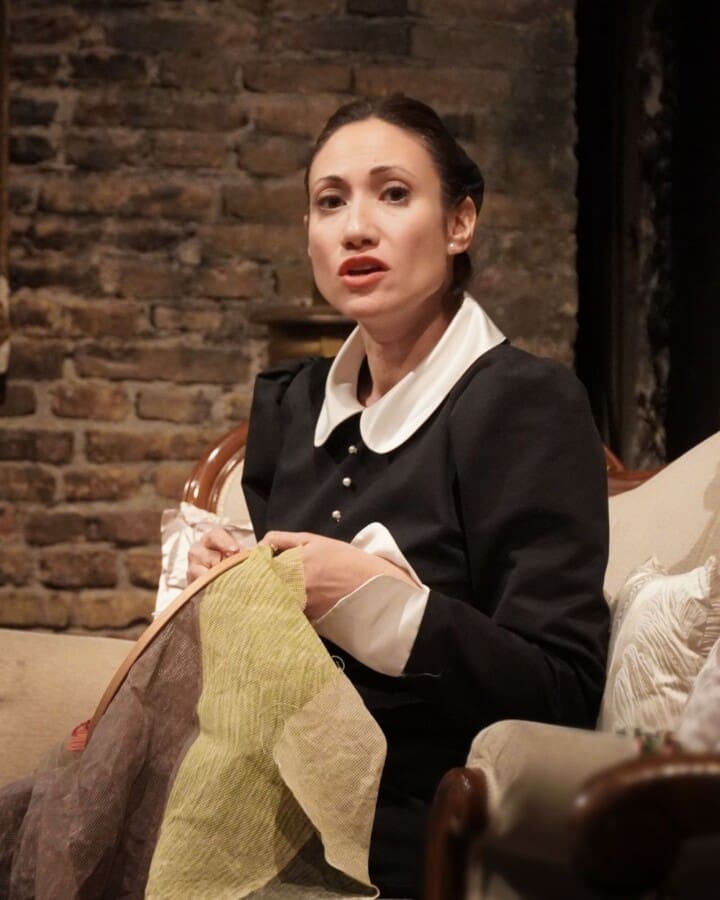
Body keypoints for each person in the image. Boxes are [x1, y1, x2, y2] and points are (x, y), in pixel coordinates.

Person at [187, 95, 610, 898]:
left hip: (412, 826)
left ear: (460, 223)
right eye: (330, 201)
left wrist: (381, 606)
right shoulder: (291, 406)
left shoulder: (526, 405)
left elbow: (563, 692)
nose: (355, 228)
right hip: (261, 795)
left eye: (392, 193)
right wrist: (227, 586)